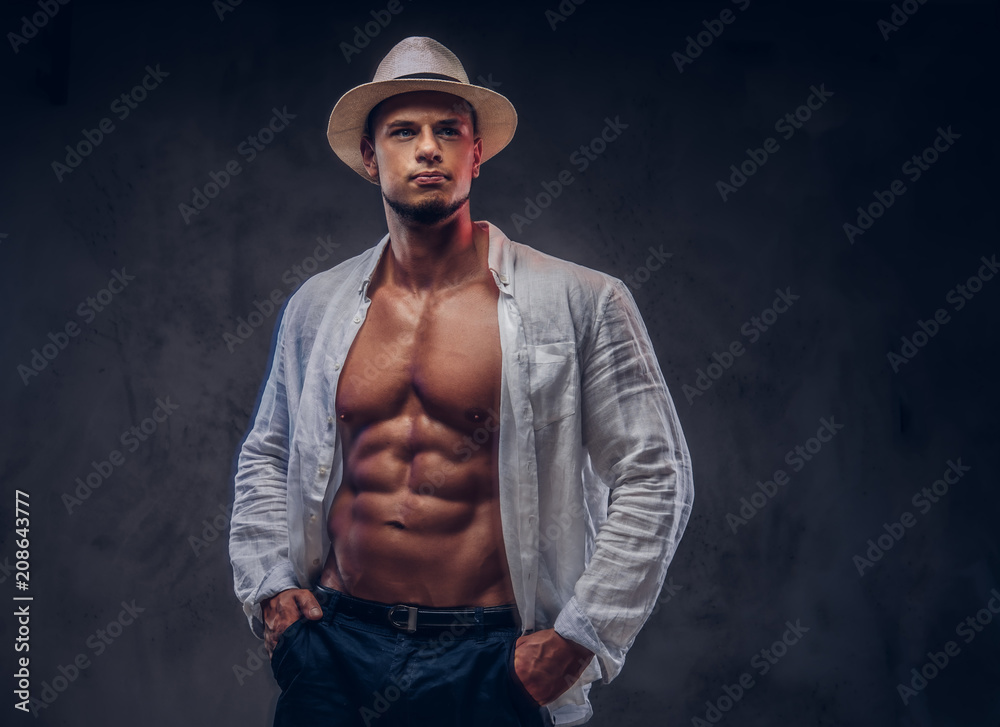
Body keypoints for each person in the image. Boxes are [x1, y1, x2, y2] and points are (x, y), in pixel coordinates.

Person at [229, 36, 694, 727]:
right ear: (369, 157)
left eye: (449, 130)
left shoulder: (580, 300)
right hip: (335, 644)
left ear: (477, 153)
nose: (427, 148)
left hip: (488, 655)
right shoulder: (316, 307)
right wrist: (270, 587)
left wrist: (582, 636)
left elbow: (657, 473)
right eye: (403, 131)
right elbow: (267, 453)